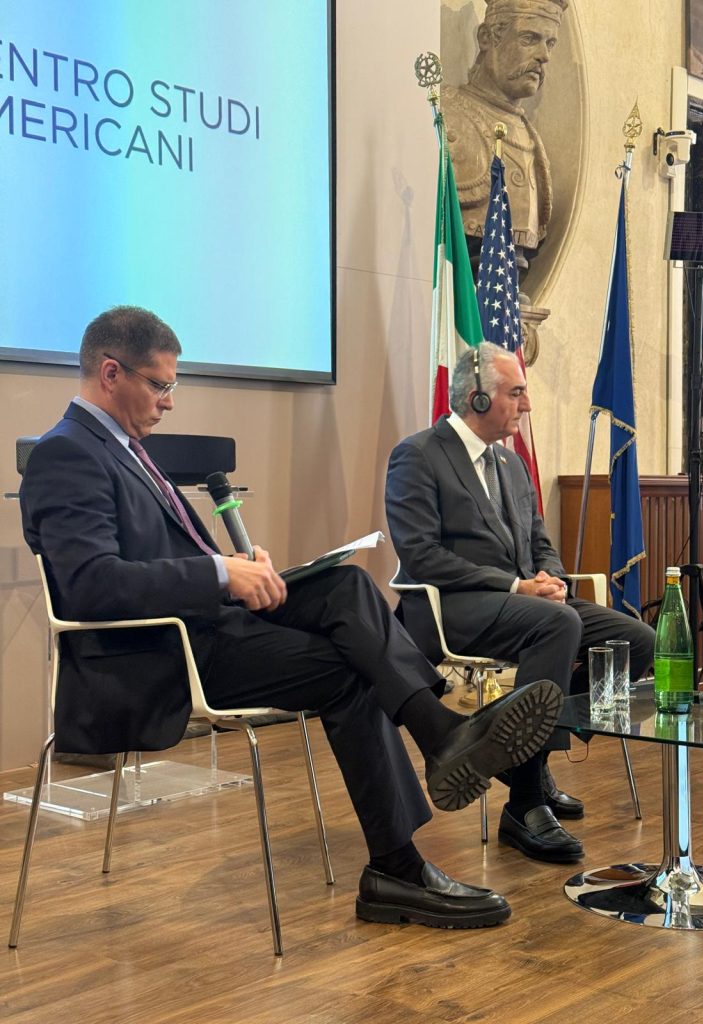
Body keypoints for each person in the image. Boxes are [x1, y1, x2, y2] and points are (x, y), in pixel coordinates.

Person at [19, 307, 565, 931]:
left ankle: (439, 740)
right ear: (111, 373)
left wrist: (241, 569)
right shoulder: (66, 455)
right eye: (160, 385)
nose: (170, 401)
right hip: (163, 653)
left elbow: (161, 561)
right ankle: (403, 849)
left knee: (347, 586)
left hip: (209, 623)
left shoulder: (126, 449)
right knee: (353, 670)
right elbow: (91, 586)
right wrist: (221, 574)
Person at [385, 342, 656, 864]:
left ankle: (521, 751)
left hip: (530, 605)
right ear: (478, 397)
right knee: (556, 626)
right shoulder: (417, 455)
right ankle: (526, 801)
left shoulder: (511, 464)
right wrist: (515, 587)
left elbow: (539, 541)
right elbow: (420, 555)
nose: (526, 405)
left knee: (636, 640)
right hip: (453, 609)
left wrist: (551, 578)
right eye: (516, 393)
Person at [443, 0, 567, 275]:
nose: (544, 56)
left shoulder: (532, 141)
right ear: (486, 38)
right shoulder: (447, 116)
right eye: (529, 38)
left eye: (550, 43)